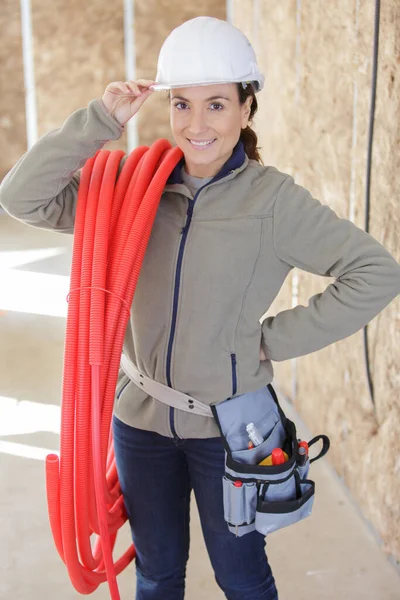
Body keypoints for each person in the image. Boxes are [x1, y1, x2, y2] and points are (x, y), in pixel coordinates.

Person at [1, 15, 400, 600]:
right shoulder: (135, 190)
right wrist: (100, 121)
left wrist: (270, 341)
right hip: (140, 424)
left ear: (246, 107)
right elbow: (22, 197)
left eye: (216, 104)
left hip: (231, 433)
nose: (197, 124)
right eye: (182, 104)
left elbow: (375, 272)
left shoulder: (275, 203)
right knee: (157, 575)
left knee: (240, 577)